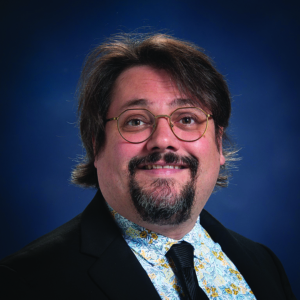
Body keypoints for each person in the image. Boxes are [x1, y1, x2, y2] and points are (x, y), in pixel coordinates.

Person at [0, 33, 295, 300]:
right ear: (96, 147)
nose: (163, 140)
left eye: (187, 119)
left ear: (218, 144)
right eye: (136, 121)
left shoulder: (263, 264)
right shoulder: (25, 283)